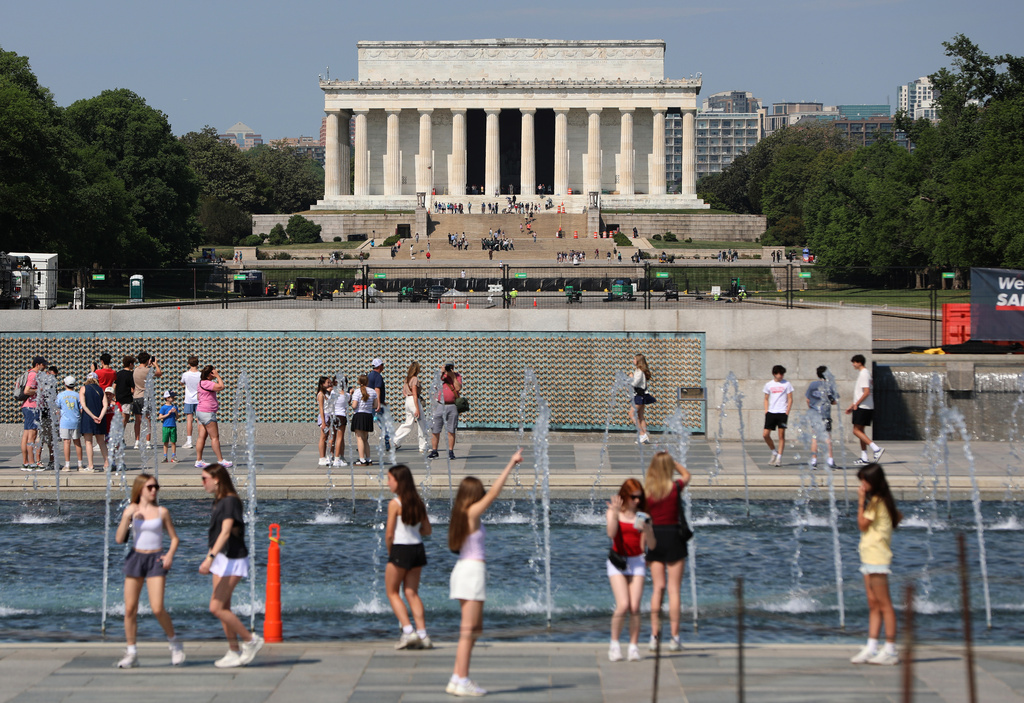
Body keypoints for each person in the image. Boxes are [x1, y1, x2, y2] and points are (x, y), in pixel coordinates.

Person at [446, 449, 524, 696]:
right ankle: (462, 679)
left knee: (473, 629)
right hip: (471, 573)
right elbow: (494, 493)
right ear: (472, 496)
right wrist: (510, 464)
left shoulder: (462, 514)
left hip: (466, 571)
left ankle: (457, 677)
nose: (482, 497)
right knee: (469, 630)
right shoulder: (470, 514)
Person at [114, 473, 185, 668]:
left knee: (157, 607)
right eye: (150, 487)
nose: (154, 490)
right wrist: (127, 516)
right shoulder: (132, 511)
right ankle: (131, 652)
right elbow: (119, 539)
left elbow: (175, 538)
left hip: (155, 558)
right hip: (136, 557)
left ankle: (175, 644)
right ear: (140, 490)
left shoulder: (162, 511)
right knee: (129, 609)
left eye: (156, 487)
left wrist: (169, 554)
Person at [198, 463, 263, 668]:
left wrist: (209, 557)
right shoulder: (219, 501)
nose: (202, 483)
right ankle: (234, 650)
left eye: (204, 478)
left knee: (215, 607)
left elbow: (226, 531)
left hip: (233, 560)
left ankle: (251, 640)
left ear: (216, 479)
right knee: (224, 607)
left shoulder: (229, 501)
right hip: (222, 559)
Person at [851, 463, 902, 665]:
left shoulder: (876, 502)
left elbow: (862, 525)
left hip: (878, 559)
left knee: (884, 604)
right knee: (873, 603)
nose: (862, 484)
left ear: (874, 482)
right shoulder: (883, 502)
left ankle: (890, 648)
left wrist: (861, 501)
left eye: (865, 480)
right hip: (869, 557)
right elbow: (897, 517)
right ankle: (872, 646)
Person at [643, 451, 692, 652]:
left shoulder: (647, 492)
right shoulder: (675, 488)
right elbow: (687, 475)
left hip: (654, 538)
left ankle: (654, 636)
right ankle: (674, 637)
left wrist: (642, 547)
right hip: (674, 538)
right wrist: (675, 463)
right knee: (674, 590)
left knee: (658, 588)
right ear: (668, 468)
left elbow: (642, 521)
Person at [606, 478, 656, 662]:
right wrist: (616, 514)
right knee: (623, 605)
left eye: (639, 497)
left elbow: (652, 545)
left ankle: (633, 646)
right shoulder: (613, 511)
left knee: (635, 606)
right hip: (618, 561)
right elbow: (611, 534)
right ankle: (614, 644)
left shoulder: (642, 515)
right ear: (625, 496)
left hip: (636, 562)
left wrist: (649, 530)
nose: (636, 501)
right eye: (633, 497)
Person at [385, 464, 433, 650]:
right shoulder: (418, 503)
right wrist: (414, 530)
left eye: (390, 479)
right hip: (417, 548)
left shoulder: (395, 504)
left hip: (400, 549)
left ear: (399, 482)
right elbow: (427, 530)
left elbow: (389, 534)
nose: (388, 483)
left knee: (392, 592)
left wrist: (391, 554)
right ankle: (423, 634)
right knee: (412, 593)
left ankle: (407, 630)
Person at [846, 354, 884, 465]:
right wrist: (852, 405)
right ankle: (864, 457)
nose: (853, 365)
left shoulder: (864, 374)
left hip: (863, 407)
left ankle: (876, 449)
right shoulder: (866, 373)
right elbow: (860, 393)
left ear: (859, 362)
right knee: (860, 431)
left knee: (856, 431)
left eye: (854, 362)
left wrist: (856, 404)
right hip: (863, 406)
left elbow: (866, 392)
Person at [195, 365, 232, 469]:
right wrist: (218, 376)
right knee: (215, 437)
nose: (215, 373)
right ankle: (220, 460)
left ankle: (199, 460)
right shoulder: (208, 383)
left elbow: (198, 396)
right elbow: (221, 386)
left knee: (201, 437)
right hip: (208, 412)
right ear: (209, 374)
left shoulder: (200, 383)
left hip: (200, 411)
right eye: (213, 372)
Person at [428, 362, 462, 461]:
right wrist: (441, 373)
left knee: (451, 430)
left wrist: (453, 377)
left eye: (450, 367)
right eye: (446, 366)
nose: (448, 368)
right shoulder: (440, 376)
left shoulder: (457, 376)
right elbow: (434, 386)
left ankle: (451, 452)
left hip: (452, 406)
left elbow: (458, 388)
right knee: (435, 429)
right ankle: (434, 451)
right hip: (439, 405)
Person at [762, 364, 794, 466]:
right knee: (765, 435)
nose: (781, 376)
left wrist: (787, 412)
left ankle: (779, 458)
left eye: (782, 373)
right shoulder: (769, 385)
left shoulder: (787, 384)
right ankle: (774, 452)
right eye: (779, 373)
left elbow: (790, 398)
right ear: (774, 374)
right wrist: (766, 410)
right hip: (771, 412)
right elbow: (766, 398)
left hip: (782, 412)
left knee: (781, 435)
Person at [806, 366, 837, 468]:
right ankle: (830, 460)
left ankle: (814, 460)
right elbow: (834, 401)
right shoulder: (829, 386)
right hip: (825, 415)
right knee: (828, 437)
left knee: (814, 437)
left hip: (815, 415)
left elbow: (808, 400)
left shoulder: (812, 385)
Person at [393, 362, 427, 453]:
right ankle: (423, 446)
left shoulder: (407, 379)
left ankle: (395, 440)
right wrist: (417, 408)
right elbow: (415, 394)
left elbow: (404, 392)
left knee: (408, 423)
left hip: (408, 400)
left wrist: (409, 396)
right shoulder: (415, 379)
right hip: (413, 400)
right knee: (422, 423)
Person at [19, 356, 46, 470]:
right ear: (37, 364)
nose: (44, 367)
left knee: (26, 435)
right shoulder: (33, 375)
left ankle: (26, 462)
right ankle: (31, 462)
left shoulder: (29, 373)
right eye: (43, 365)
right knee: (32, 436)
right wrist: (39, 390)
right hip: (32, 407)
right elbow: (27, 390)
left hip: (27, 407)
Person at [132, 351, 162, 450]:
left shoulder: (135, 370)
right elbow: (159, 373)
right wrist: (155, 364)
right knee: (147, 420)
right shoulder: (148, 370)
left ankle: (137, 442)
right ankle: (148, 442)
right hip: (146, 397)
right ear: (148, 360)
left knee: (137, 420)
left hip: (136, 397)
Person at [79, 374, 109, 472]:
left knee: (88, 442)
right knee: (101, 442)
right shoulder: (101, 390)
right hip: (100, 418)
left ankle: (91, 465)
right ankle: (107, 464)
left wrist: (93, 416)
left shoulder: (83, 389)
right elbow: (105, 405)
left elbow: (83, 405)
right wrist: (100, 416)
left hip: (88, 418)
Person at [57, 375, 84, 471]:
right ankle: (80, 464)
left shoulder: (60, 395)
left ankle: (67, 465)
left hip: (65, 422)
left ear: (65, 384)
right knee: (77, 442)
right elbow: (81, 409)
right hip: (76, 421)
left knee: (66, 442)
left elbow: (57, 408)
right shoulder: (77, 395)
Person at [350, 374, 379, 466]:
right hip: (368, 415)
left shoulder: (357, 392)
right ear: (367, 381)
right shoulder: (373, 392)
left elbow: (354, 406)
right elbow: (375, 406)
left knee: (359, 438)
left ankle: (362, 459)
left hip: (359, 415)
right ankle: (368, 458)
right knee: (365, 439)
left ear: (359, 382)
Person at [627, 354, 653, 444]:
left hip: (639, 395)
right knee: (641, 416)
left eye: (634, 359)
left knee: (632, 414)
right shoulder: (640, 370)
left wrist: (630, 377)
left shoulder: (639, 371)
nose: (633, 360)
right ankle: (645, 436)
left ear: (638, 361)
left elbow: (634, 383)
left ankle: (642, 434)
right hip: (642, 395)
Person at [368, 358, 390, 451]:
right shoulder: (378, 376)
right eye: (382, 365)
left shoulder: (369, 375)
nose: (383, 366)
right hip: (376, 405)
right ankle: (388, 444)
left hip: (369, 404)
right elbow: (377, 389)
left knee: (368, 424)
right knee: (383, 424)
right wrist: (378, 404)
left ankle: (363, 443)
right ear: (379, 366)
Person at [180, 356, 201, 450]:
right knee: (199, 420)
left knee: (189, 420)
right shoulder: (201, 375)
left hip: (189, 399)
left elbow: (182, 382)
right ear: (197, 364)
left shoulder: (185, 374)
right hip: (199, 399)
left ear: (189, 364)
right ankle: (201, 440)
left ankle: (189, 441)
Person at [114, 356, 136, 444]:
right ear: (130, 364)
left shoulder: (118, 373)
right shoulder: (131, 374)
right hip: (127, 399)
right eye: (133, 364)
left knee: (119, 418)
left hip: (118, 399)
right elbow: (132, 389)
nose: (134, 365)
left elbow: (114, 386)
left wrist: (114, 396)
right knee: (125, 419)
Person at [331, 374, 350, 468]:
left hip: (333, 416)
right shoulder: (346, 395)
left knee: (332, 437)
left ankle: (330, 456)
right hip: (341, 416)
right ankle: (337, 459)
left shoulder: (332, 393)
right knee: (340, 438)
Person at [315, 376, 332, 467]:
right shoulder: (321, 394)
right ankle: (322, 457)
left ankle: (327, 456)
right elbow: (321, 408)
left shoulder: (327, 393)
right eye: (328, 382)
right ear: (322, 384)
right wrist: (323, 422)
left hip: (329, 415)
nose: (329, 384)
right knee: (323, 437)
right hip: (324, 416)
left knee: (328, 437)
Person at [158, 391, 178, 463]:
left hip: (173, 426)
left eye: (173, 397)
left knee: (173, 442)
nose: (173, 398)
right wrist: (168, 414)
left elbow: (177, 417)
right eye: (171, 397)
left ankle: (173, 456)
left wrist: (175, 412)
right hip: (166, 426)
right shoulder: (163, 407)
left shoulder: (174, 407)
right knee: (165, 442)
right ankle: (165, 456)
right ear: (167, 398)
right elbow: (160, 417)